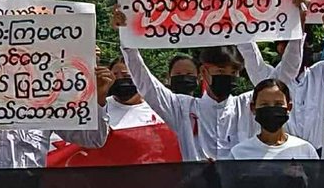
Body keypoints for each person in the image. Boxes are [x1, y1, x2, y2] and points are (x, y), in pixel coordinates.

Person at [113, 8, 303, 161]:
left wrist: (297, 27)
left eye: (232, 73)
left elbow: (285, 75)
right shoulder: (183, 108)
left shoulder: (247, 105)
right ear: (204, 72)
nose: (227, 78)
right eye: (220, 72)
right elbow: (146, 84)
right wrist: (127, 38)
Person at [238, 11, 324, 150]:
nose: (297, 48)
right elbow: (249, 54)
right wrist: (239, 17)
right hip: (283, 156)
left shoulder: (322, 74)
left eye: (302, 42)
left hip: (318, 158)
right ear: (280, 48)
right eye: (289, 42)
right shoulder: (270, 79)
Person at [104, 56, 164, 130]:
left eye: (126, 75)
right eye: (114, 75)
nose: (119, 79)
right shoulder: (102, 108)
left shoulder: (158, 107)